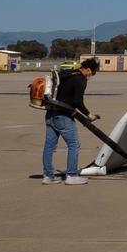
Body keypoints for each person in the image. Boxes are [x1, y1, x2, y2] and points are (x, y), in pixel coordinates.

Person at [42, 57, 100, 185]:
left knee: (49, 145)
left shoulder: (66, 74)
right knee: (74, 144)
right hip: (64, 116)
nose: (93, 75)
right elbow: (77, 101)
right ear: (89, 70)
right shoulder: (80, 79)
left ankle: (48, 176)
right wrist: (88, 115)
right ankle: (72, 175)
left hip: (50, 113)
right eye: (94, 72)